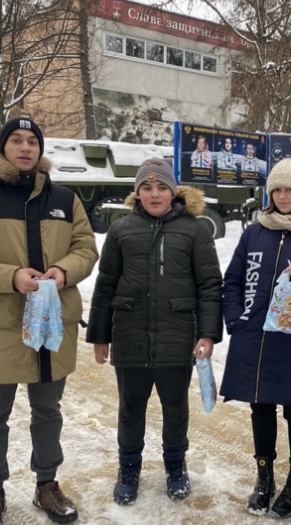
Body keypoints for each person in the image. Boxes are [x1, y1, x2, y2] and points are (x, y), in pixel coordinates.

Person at [0, 117, 99, 525]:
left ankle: (47, 484)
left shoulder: (66, 198)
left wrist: (63, 271)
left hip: (50, 328)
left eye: (33, 141)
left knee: (48, 412)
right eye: (16, 140)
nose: (25, 147)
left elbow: (86, 248)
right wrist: (11, 277)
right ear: (2, 147)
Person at [86, 157, 222, 506]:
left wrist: (207, 333)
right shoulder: (121, 230)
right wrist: (100, 335)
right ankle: (128, 468)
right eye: (146, 187)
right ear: (137, 193)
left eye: (162, 187)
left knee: (175, 408)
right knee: (130, 408)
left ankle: (176, 467)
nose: (154, 194)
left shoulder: (195, 230)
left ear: (174, 192)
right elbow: (105, 284)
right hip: (130, 335)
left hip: (178, 337)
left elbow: (209, 285)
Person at [220, 158, 291, 518]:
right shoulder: (254, 233)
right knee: (261, 408)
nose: (283, 196)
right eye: (278, 189)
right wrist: (236, 319)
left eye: (290, 190)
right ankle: (264, 479)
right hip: (254, 338)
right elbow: (233, 280)